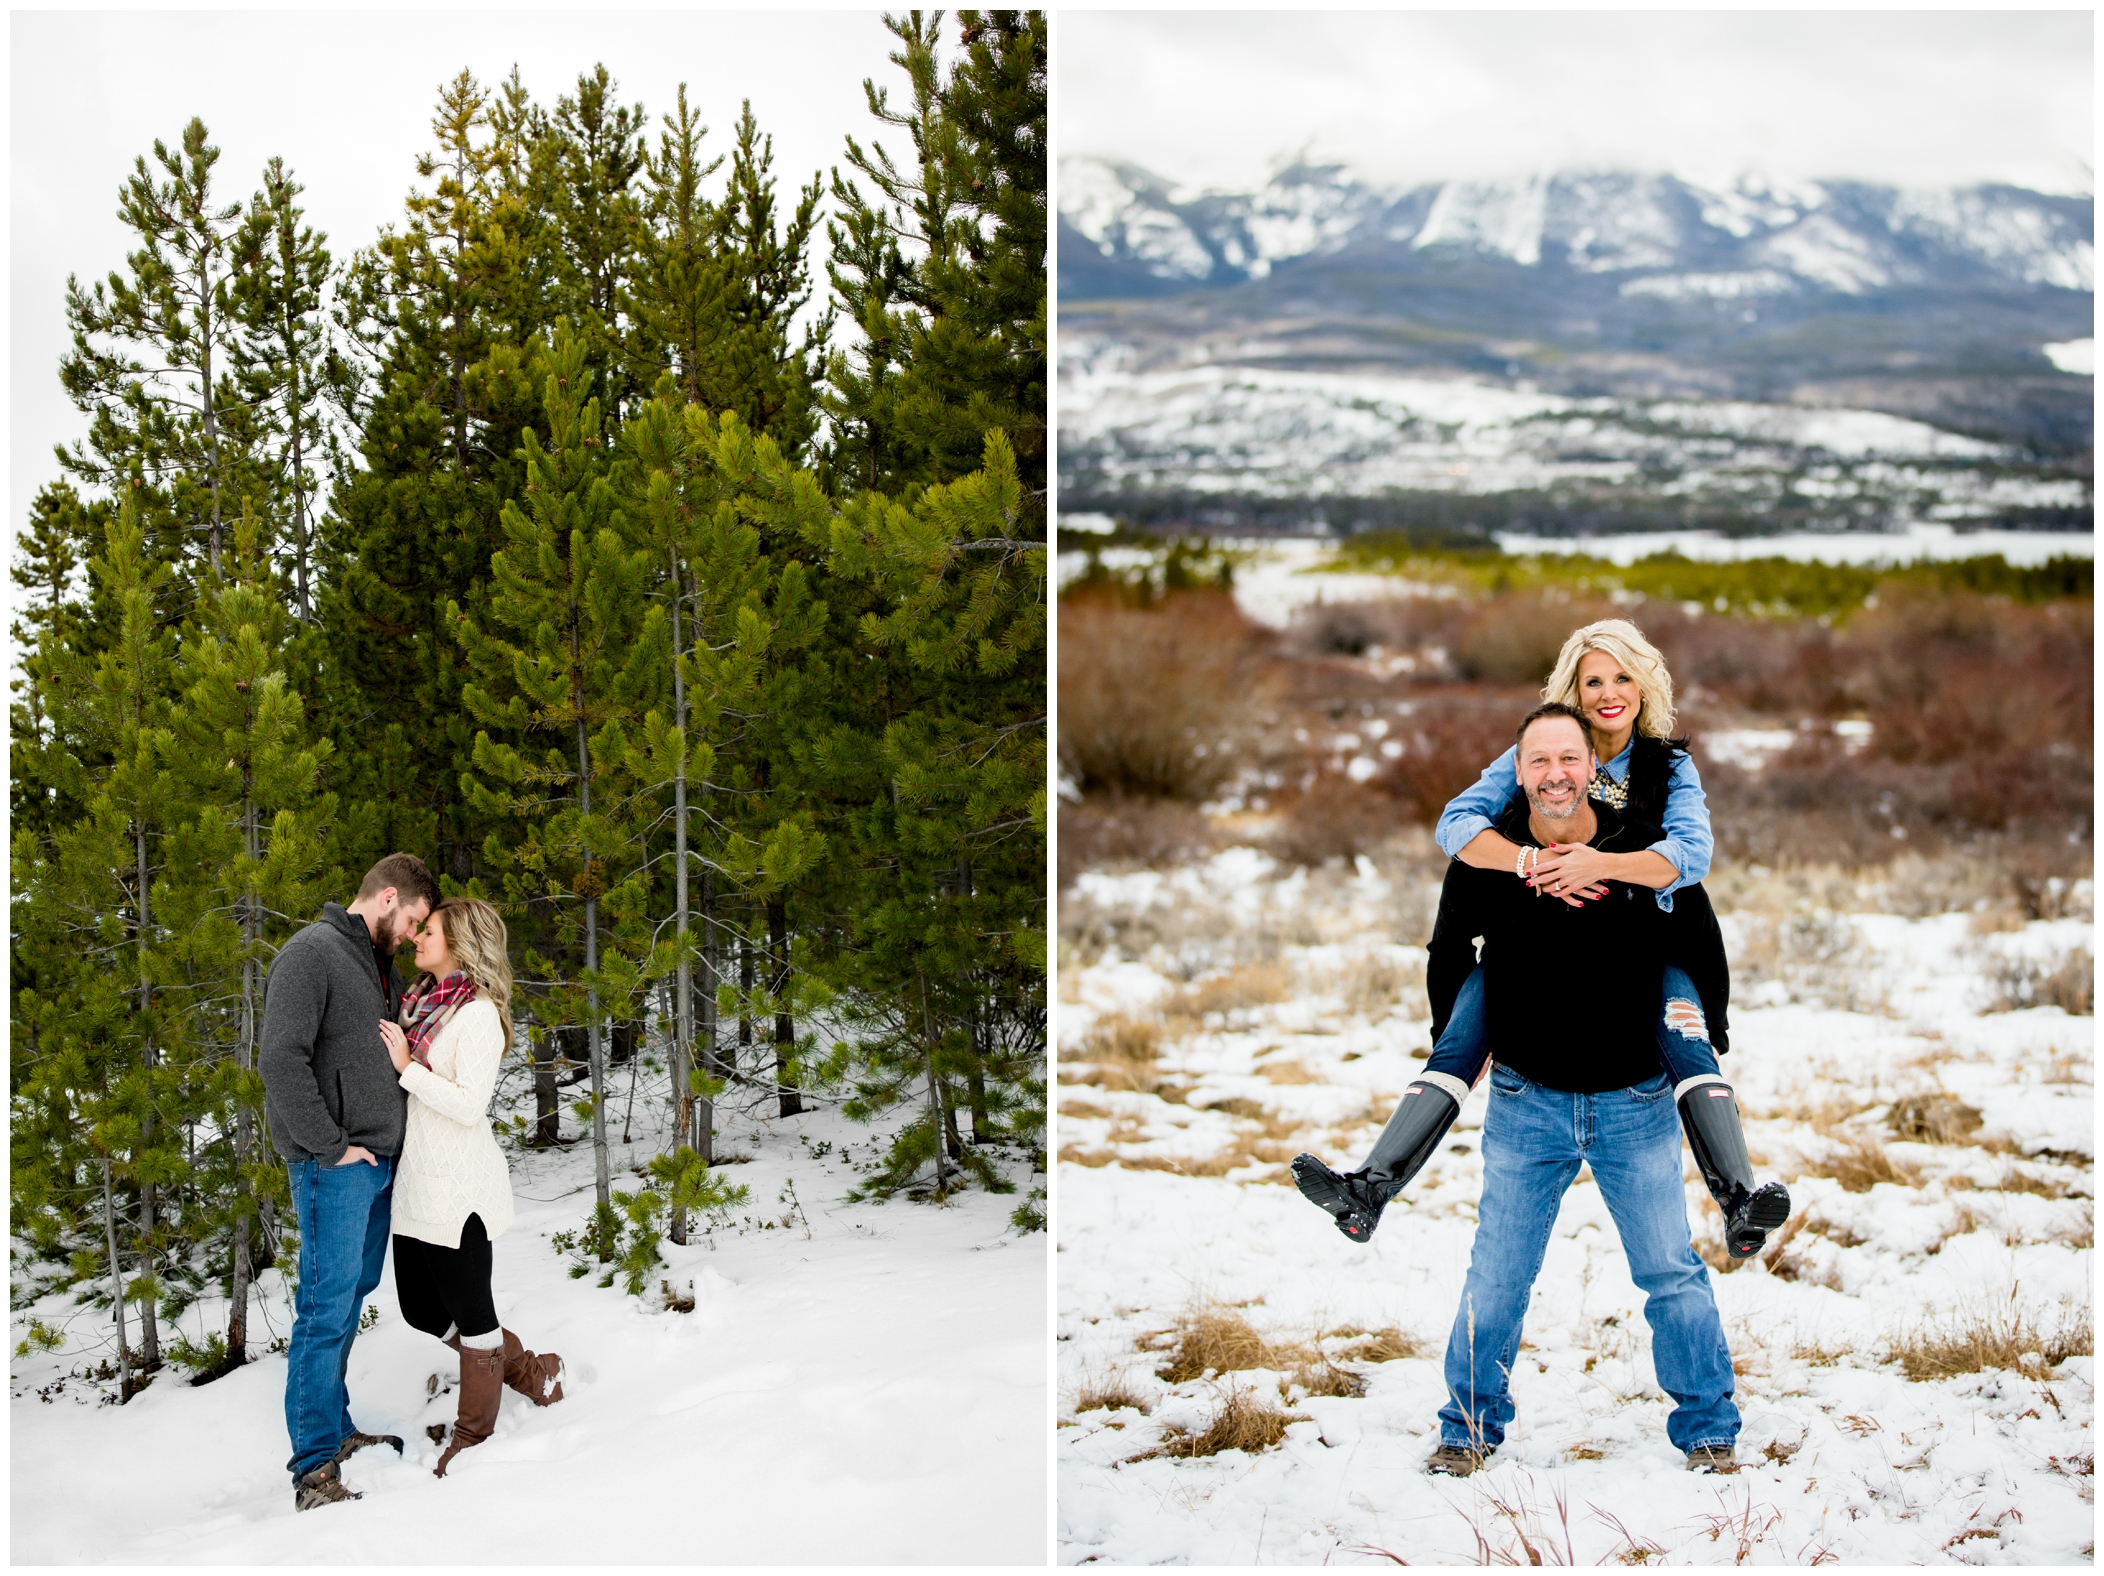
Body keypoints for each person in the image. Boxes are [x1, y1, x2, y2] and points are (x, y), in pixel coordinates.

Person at [1292, 620, 1788, 1258]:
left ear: (1644, 684)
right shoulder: (1541, 753)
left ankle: (1740, 1203)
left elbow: (1691, 854)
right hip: (1536, 948)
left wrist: (1594, 863)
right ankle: (1369, 1188)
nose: (1609, 692)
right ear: (1573, 694)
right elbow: (1456, 825)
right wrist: (1529, 862)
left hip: (1644, 946)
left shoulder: (1669, 766)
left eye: (1621, 677)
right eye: (1592, 681)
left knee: (1690, 1050)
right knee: (1462, 1037)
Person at [1391, 704, 1744, 1474]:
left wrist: (1709, 1032)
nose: (1556, 774)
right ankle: (1468, 1430)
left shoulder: (1642, 853)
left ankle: (1710, 1428)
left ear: (1594, 769)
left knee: (1669, 1271)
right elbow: (1449, 950)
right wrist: (1451, 1039)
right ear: (1518, 771)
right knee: (1498, 1275)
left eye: (1570, 759)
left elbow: (1699, 942)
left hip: (1635, 1102)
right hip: (1528, 1101)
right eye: (1539, 760)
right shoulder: (1489, 857)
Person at [260, 853, 439, 1512]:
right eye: (414, 920)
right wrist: (330, 1148)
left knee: (347, 1300)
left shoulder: (377, 968)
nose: (414, 935)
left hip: (375, 1167)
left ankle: (333, 1434)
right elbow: (280, 1059)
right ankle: (314, 1473)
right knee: (324, 1310)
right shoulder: (311, 954)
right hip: (332, 1168)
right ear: (388, 897)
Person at [379, 895, 565, 1477]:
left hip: (458, 1188)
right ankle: (527, 1370)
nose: (416, 937)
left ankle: (473, 1435)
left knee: (473, 1313)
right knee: (417, 1306)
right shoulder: (424, 1004)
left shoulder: (478, 1014)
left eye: (427, 930)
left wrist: (407, 1067)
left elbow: (469, 1105)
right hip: (417, 1182)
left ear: (459, 943)